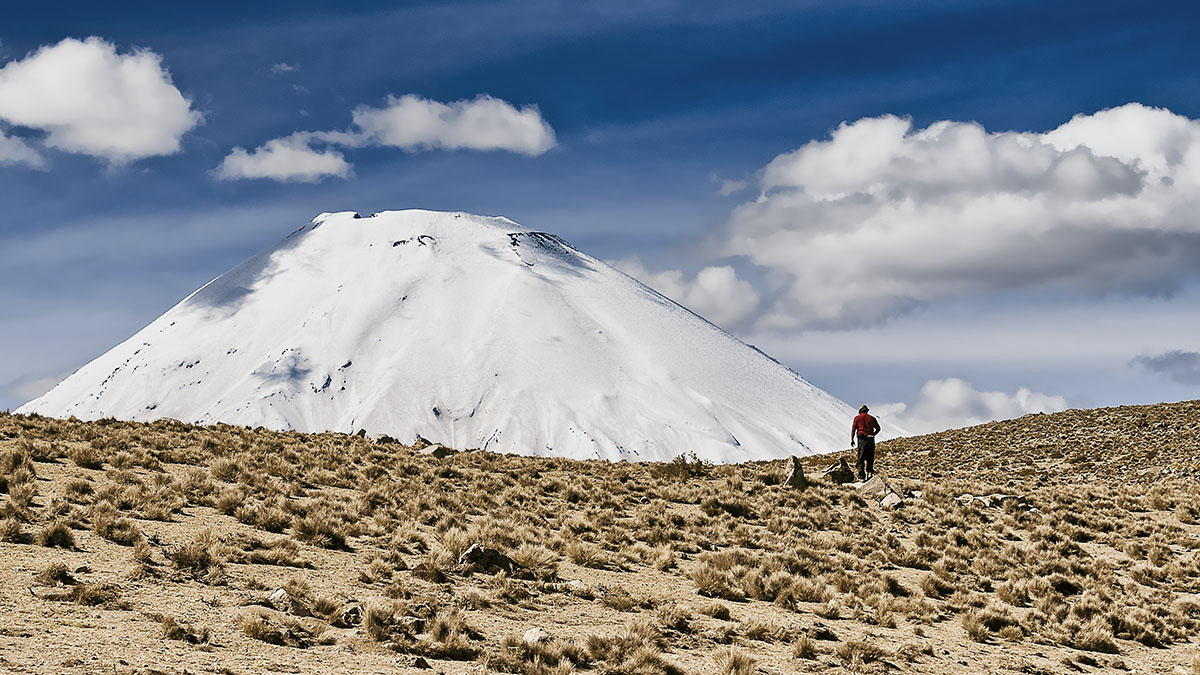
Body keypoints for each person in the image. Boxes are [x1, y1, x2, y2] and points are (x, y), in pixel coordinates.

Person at [850, 405, 880, 480]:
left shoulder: (857, 418)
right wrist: (873, 434)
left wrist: (852, 439)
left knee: (861, 456)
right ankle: (869, 471)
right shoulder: (872, 418)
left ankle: (861, 475)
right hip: (870, 439)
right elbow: (878, 428)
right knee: (870, 456)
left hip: (862, 439)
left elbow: (853, 429)